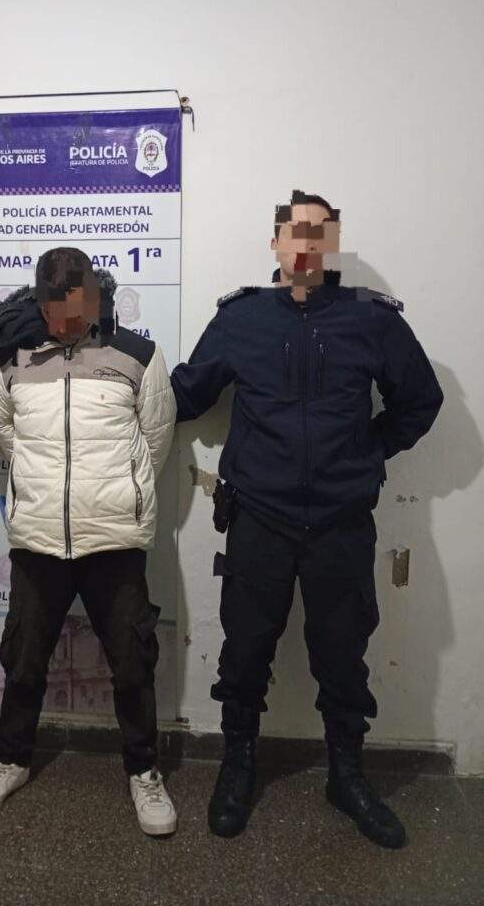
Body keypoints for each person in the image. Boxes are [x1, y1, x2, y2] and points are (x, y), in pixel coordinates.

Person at [171, 189, 443, 848]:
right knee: (244, 652)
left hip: (340, 520)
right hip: (259, 515)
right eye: (295, 231)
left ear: (332, 243)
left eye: (319, 232)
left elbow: (420, 400)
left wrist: (367, 452)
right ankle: (238, 765)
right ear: (275, 241)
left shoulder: (370, 319)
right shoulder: (241, 319)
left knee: (343, 657)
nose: (306, 243)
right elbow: (187, 396)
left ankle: (345, 776)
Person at [0, 247, 178, 836]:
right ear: (40, 302)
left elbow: (155, 438)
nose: (64, 325)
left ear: (96, 297)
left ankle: (143, 770)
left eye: (76, 312)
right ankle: (10, 760)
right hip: (38, 541)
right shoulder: (13, 355)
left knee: (132, 663)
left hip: (114, 538)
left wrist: (114, 492)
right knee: (23, 661)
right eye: (54, 313)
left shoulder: (138, 354)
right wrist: (43, 486)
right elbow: (5, 430)